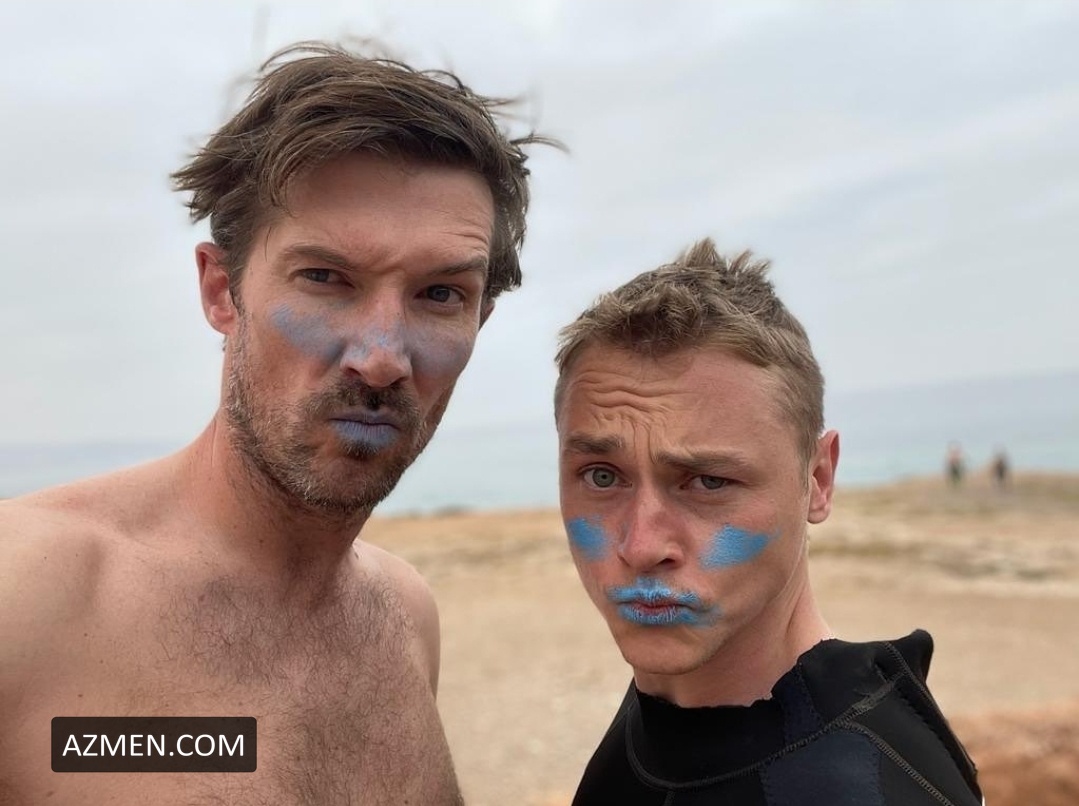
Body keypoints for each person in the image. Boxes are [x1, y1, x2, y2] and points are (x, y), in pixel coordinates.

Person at [0, 42, 543, 804]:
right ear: (221, 291)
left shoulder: (405, 614)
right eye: (325, 278)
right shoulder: (25, 594)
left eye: (440, 295)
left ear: (479, 318)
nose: (381, 360)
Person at [555, 240, 983, 805]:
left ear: (818, 480)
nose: (640, 546)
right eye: (602, 476)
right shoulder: (672, 709)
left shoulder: (870, 787)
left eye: (708, 482)